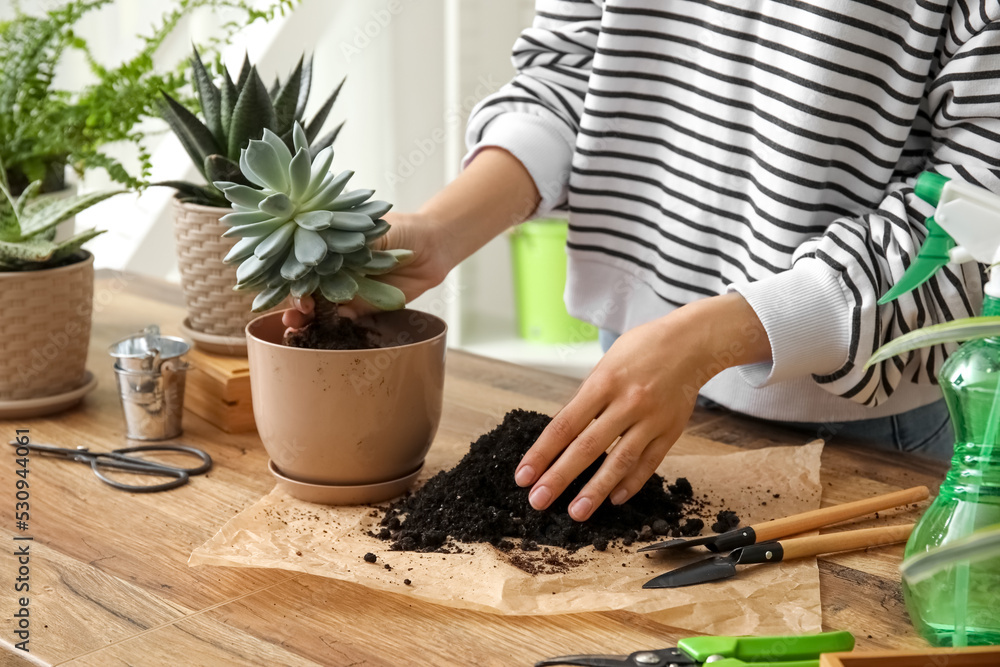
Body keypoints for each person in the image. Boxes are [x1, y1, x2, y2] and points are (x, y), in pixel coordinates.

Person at [288, 1, 999, 522]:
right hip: (629, 376)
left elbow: (975, 210)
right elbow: (570, 77)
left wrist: (710, 337)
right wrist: (440, 232)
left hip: (859, 416)